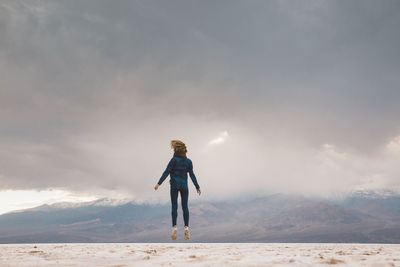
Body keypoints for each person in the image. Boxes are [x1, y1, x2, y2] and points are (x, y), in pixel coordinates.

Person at [154, 140, 201, 240]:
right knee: (185, 207)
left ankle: (174, 227)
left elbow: (166, 172)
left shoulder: (173, 160)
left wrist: (159, 183)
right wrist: (197, 186)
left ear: (176, 150)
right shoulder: (188, 162)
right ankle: (186, 228)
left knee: (174, 206)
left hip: (174, 186)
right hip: (184, 186)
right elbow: (192, 175)